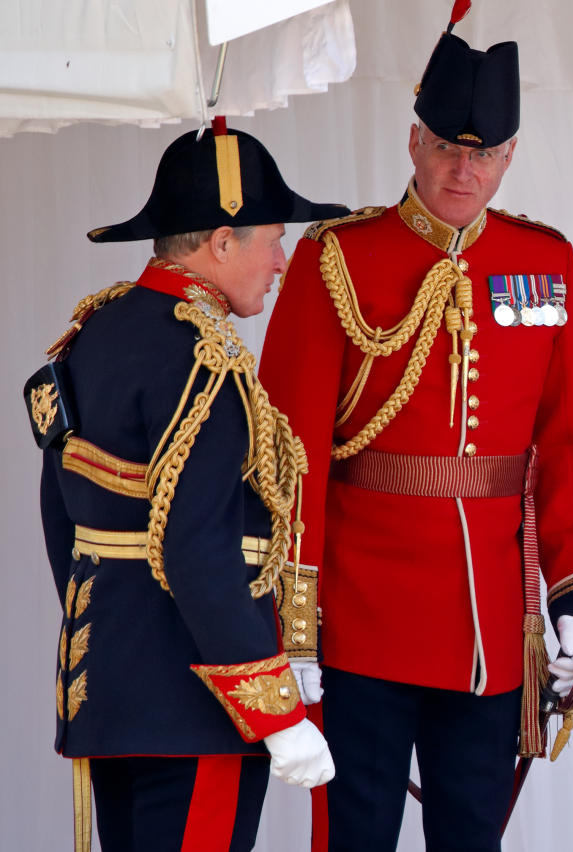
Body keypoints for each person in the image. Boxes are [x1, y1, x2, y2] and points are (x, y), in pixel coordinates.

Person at [257, 8, 573, 852]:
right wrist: (292, 621)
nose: (465, 168)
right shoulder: (337, 257)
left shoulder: (543, 262)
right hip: (361, 615)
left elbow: (568, 440)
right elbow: (290, 446)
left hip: (489, 625)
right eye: (448, 147)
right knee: (358, 836)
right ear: (413, 141)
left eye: (485, 152)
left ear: (510, 155)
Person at [25, 120, 347, 852]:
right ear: (222, 241)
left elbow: (61, 519)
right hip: (198, 706)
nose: (282, 258)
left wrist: (116, 634)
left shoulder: (92, 331)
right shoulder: (207, 360)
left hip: (107, 691)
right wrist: (274, 713)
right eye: (271, 236)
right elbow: (200, 549)